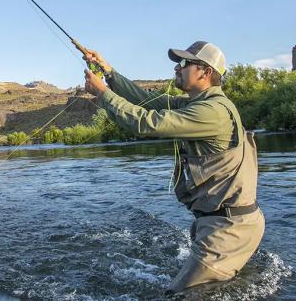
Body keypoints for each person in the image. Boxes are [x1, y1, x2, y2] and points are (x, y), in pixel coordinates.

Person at [81, 41, 264, 293]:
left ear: (206, 72)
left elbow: (147, 123)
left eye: (185, 63)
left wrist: (103, 94)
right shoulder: (200, 104)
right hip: (224, 222)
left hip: (227, 230)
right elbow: (148, 101)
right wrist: (109, 72)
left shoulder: (211, 112)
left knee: (178, 295)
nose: (178, 68)